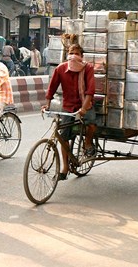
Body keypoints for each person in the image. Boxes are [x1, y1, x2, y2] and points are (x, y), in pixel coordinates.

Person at [42, 43, 96, 181]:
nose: (73, 56)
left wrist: (84, 108)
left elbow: (90, 91)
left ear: (82, 57)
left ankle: (88, 143)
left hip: (85, 104)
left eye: (77, 54)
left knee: (91, 124)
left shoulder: (88, 68)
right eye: (71, 53)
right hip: (68, 106)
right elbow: (52, 87)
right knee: (64, 136)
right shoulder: (61, 68)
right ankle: (65, 168)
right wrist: (47, 104)